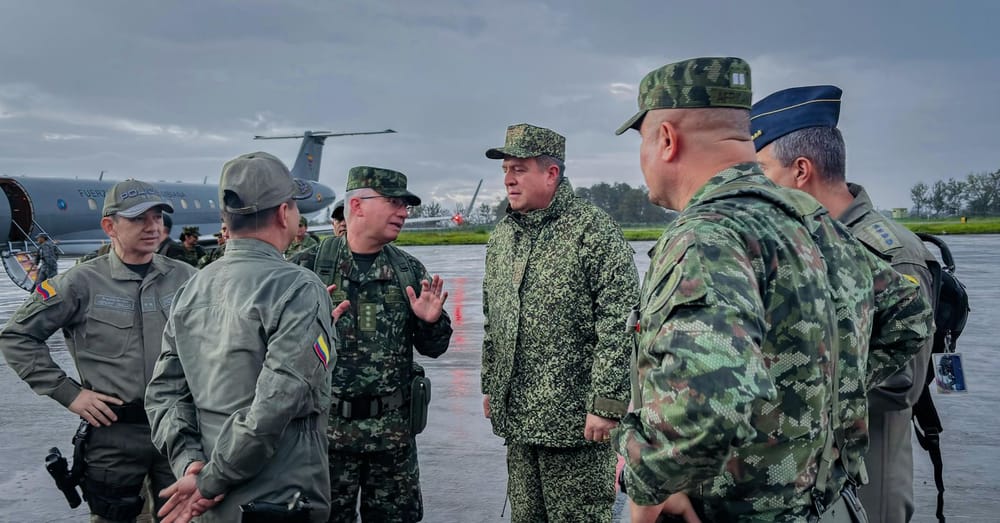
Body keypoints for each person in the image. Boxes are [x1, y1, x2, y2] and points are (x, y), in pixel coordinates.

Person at [611, 57, 932, 522]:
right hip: (828, 506)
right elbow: (909, 315)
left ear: (666, 139)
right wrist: (811, 399)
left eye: (642, 141)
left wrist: (649, 492)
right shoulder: (810, 221)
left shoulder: (706, 236)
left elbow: (709, 403)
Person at [751, 85, 938, 523]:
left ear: (801, 170)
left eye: (762, 171)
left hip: (865, 484)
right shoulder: (802, 245)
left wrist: (782, 381)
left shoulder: (890, 253)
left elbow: (903, 383)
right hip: (805, 480)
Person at [145, 152, 345, 523]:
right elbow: (275, 404)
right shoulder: (299, 287)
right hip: (277, 500)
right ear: (284, 213)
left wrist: (190, 464)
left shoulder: (193, 287)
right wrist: (211, 480)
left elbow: (164, 393)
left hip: (209, 504)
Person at [0, 179, 197, 522]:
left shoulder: (188, 279)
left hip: (179, 431)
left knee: (186, 516)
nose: (152, 227)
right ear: (110, 226)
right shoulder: (79, 283)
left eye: (157, 217)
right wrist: (70, 394)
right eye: (138, 219)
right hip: (114, 434)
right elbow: (17, 337)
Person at [480, 123, 639, 521]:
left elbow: (619, 322)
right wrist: (491, 385)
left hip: (576, 427)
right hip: (520, 424)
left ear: (551, 173)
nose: (508, 179)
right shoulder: (503, 237)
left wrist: (607, 403)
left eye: (519, 169)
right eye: (505, 170)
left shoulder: (592, 230)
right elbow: (492, 320)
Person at [297, 166, 452, 522]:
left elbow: (435, 347)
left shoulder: (408, 271)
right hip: (325, 437)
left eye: (405, 205)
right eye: (393, 202)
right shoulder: (308, 268)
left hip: (392, 440)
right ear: (357, 205)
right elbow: (272, 350)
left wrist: (430, 322)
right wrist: (309, 326)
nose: (403, 212)